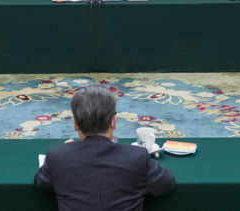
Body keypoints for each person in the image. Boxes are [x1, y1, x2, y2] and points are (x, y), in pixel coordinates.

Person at [34, 85, 175, 211]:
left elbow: (41, 183)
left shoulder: (57, 156)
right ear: (114, 122)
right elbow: (166, 184)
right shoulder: (138, 156)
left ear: (75, 124)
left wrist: (66, 152)